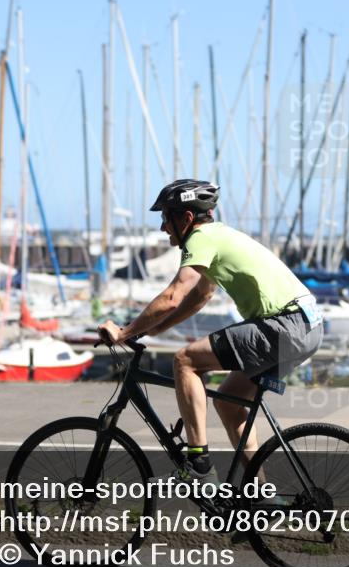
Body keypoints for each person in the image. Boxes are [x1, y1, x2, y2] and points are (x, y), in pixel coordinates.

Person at [98, 179, 323, 483]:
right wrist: (156, 328)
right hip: (307, 327)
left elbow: (173, 296)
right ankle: (260, 494)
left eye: (166, 218)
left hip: (285, 325)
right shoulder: (220, 236)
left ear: (187, 218)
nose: (163, 227)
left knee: (185, 360)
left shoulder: (200, 238)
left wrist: (124, 332)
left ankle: (199, 463)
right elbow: (201, 296)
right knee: (229, 402)